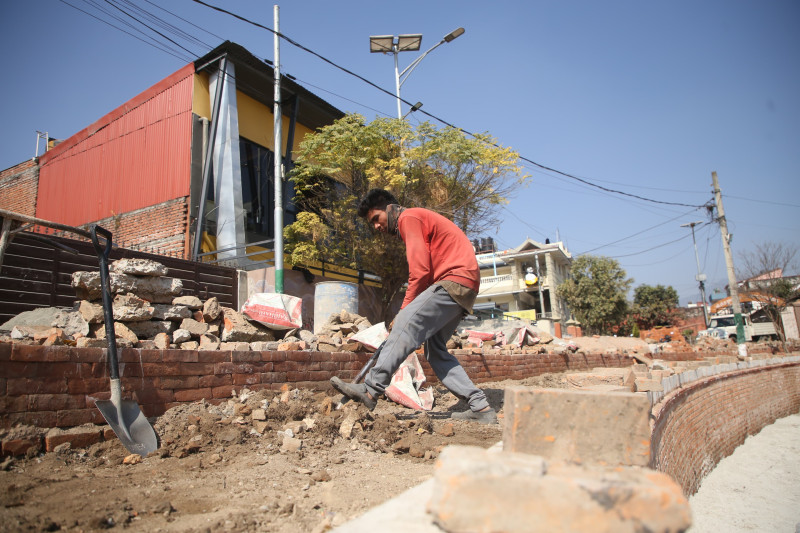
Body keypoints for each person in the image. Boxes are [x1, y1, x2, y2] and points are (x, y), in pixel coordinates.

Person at [330, 189, 497, 424]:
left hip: (454, 281)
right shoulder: (417, 220)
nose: (376, 226)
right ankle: (481, 408)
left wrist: (404, 312)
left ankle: (369, 390)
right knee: (435, 350)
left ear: (390, 208)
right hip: (464, 286)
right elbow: (427, 273)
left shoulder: (409, 217)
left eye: (376, 218)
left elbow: (420, 271)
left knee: (404, 325)